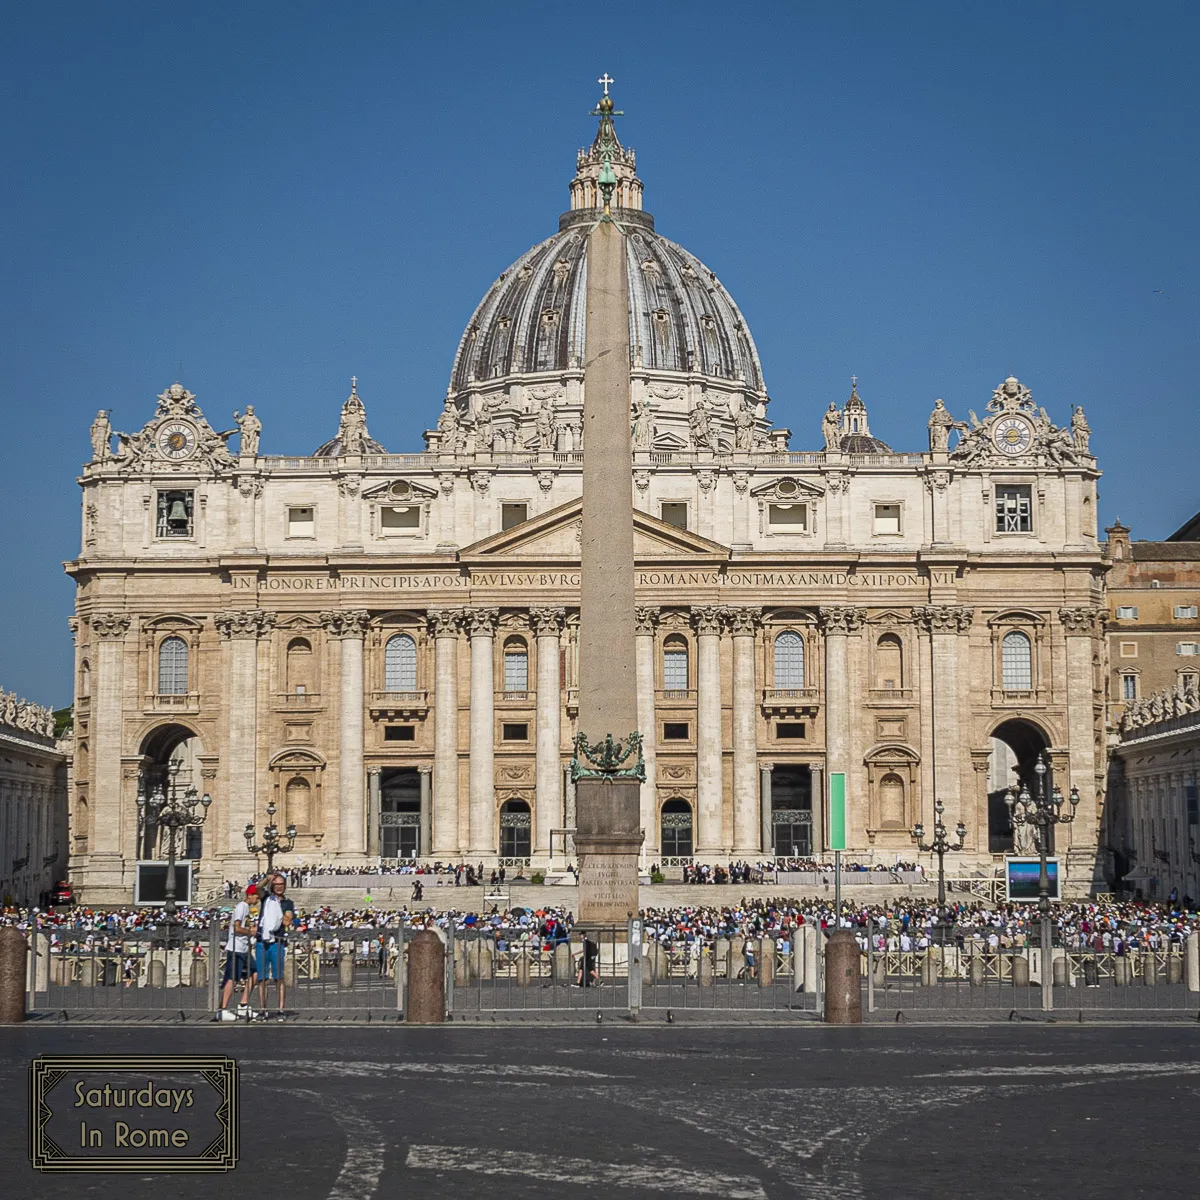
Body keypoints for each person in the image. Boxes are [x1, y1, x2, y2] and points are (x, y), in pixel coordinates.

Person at [255, 873, 295, 1020]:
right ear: (273, 885)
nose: (279, 887)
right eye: (276, 884)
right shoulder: (266, 898)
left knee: (279, 978)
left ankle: (280, 1009)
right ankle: (262, 1009)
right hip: (261, 941)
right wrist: (267, 878)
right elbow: (257, 888)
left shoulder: (288, 903)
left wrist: (283, 916)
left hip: (277, 942)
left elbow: (287, 920)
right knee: (262, 979)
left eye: (282, 884)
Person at [219, 882, 258, 1021]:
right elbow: (236, 928)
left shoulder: (247, 909)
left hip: (243, 949)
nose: (257, 900)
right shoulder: (241, 907)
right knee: (232, 978)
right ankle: (222, 1009)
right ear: (250, 895)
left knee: (254, 973)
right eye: (256, 897)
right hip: (236, 948)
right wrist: (251, 932)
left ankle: (243, 1005)